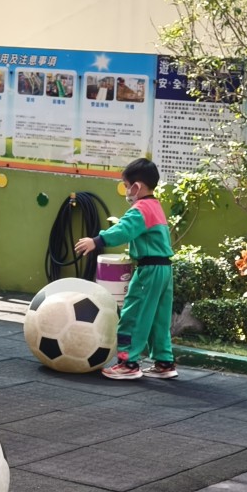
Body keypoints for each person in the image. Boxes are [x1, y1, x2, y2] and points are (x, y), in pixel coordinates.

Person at [73, 157, 176, 380]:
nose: (126, 191)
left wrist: (97, 240)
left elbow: (124, 230)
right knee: (158, 317)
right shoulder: (156, 207)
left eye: (126, 186)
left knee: (133, 314)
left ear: (136, 187)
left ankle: (127, 363)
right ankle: (164, 362)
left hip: (149, 270)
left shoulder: (140, 209)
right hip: (164, 270)